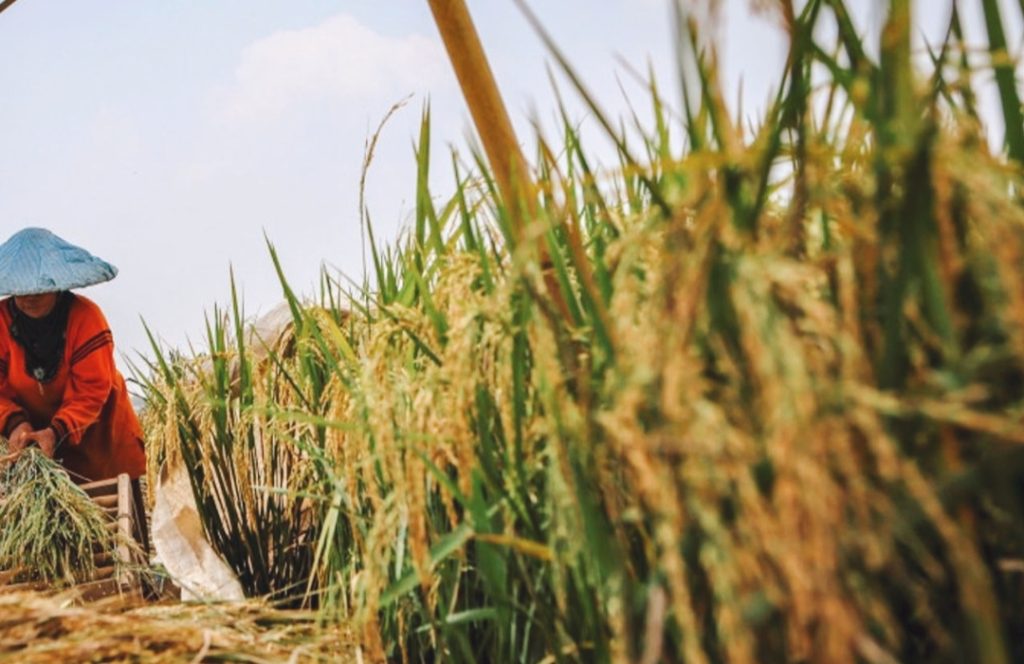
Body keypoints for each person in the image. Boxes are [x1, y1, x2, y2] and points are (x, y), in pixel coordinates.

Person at [0, 228, 146, 485]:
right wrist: (15, 425)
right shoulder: (2, 322)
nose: (30, 296)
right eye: (23, 289)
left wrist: (56, 432)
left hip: (101, 440)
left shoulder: (87, 318)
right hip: (35, 444)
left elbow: (91, 391)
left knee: (117, 515)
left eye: (39, 288)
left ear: (57, 284)